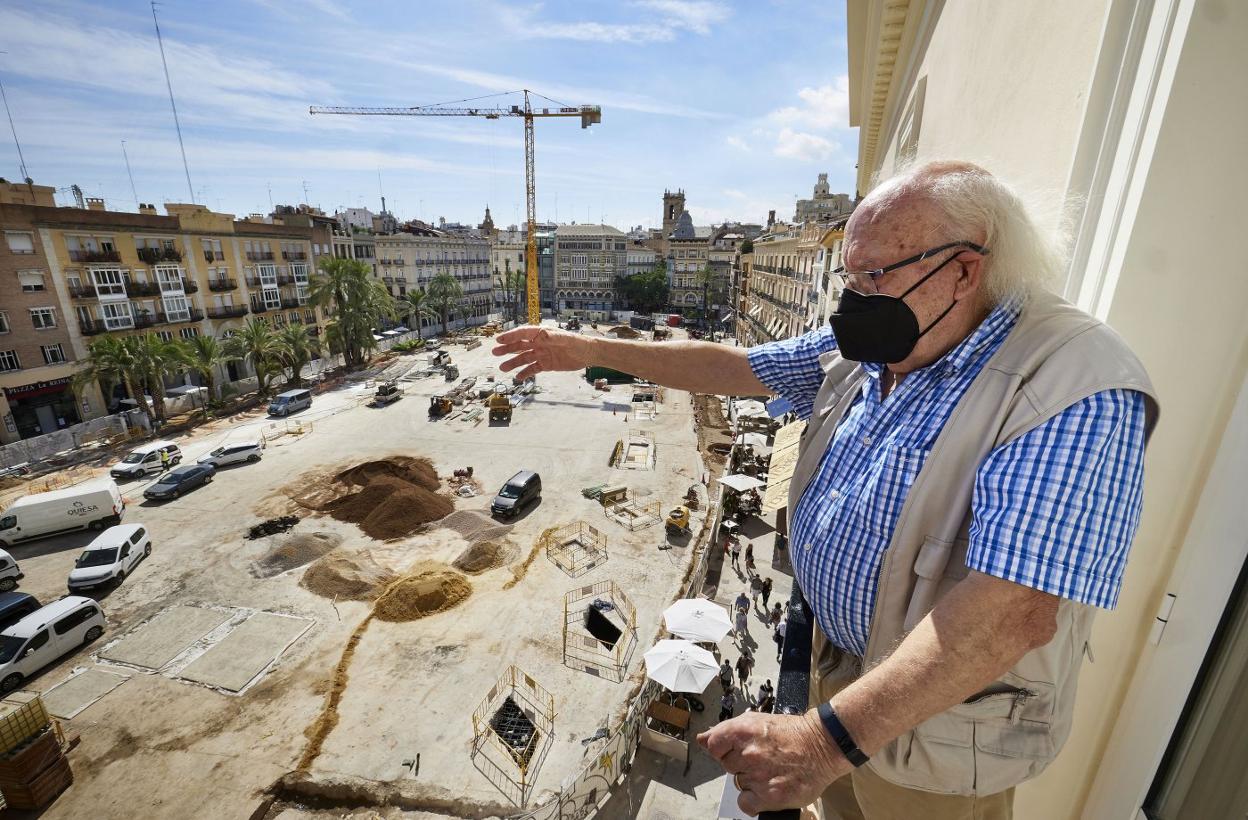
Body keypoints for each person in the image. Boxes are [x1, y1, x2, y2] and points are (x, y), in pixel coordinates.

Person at [492, 160, 1157, 819]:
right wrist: (585, 351)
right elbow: (739, 367)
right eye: (850, 276)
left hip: (937, 735)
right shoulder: (876, 343)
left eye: (876, 275)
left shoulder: (1073, 383)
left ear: (964, 269)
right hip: (833, 673)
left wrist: (821, 742)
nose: (856, 298)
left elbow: (1012, 612)